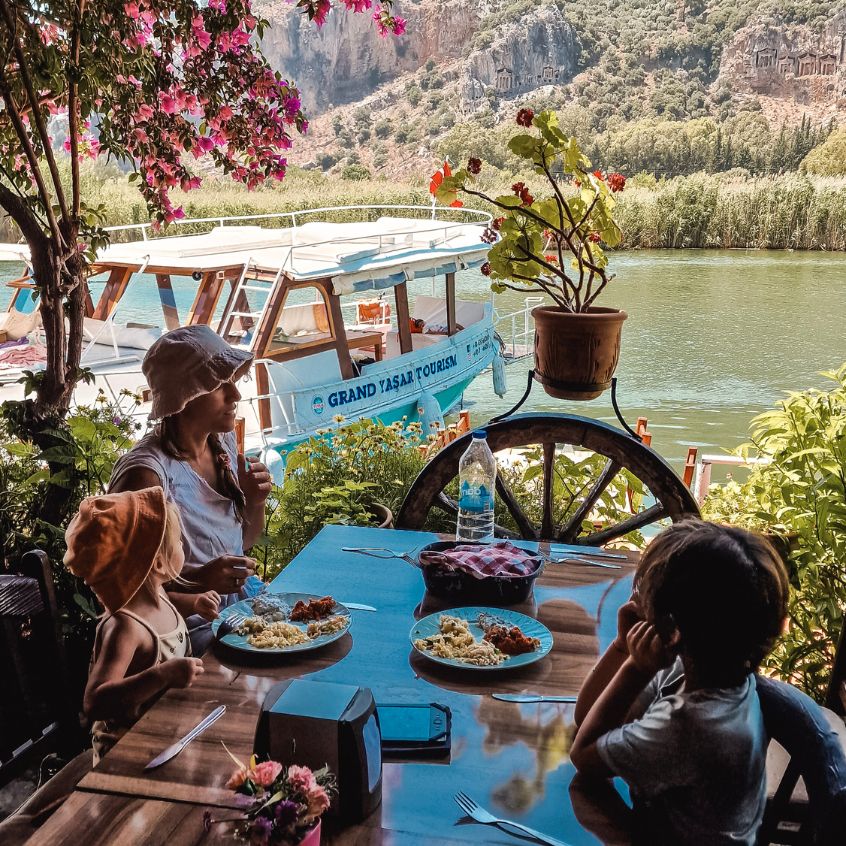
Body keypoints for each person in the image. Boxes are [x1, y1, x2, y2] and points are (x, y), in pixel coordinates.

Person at [571, 520, 789, 846]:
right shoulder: (711, 672)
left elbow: (584, 756)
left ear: (672, 627)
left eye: (644, 588)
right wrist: (621, 647)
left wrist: (634, 668)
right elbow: (586, 716)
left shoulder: (690, 723)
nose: (635, 594)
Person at [109, 325, 273, 652]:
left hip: (238, 616)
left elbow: (244, 542)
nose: (236, 395)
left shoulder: (220, 442)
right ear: (184, 396)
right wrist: (199, 580)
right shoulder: (146, 476)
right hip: (183, 636)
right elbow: (122, 597)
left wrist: (255, 503)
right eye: (218, 384)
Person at [63, 487, 210, 763]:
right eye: (178, 542)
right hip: (126, 755)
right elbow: (94, 701)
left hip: (164, 734)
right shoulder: (125, 628)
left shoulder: (157, 594)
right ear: (156, 563)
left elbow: (164, 614)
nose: (182, 547)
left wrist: (194, 603)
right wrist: (162, 675)